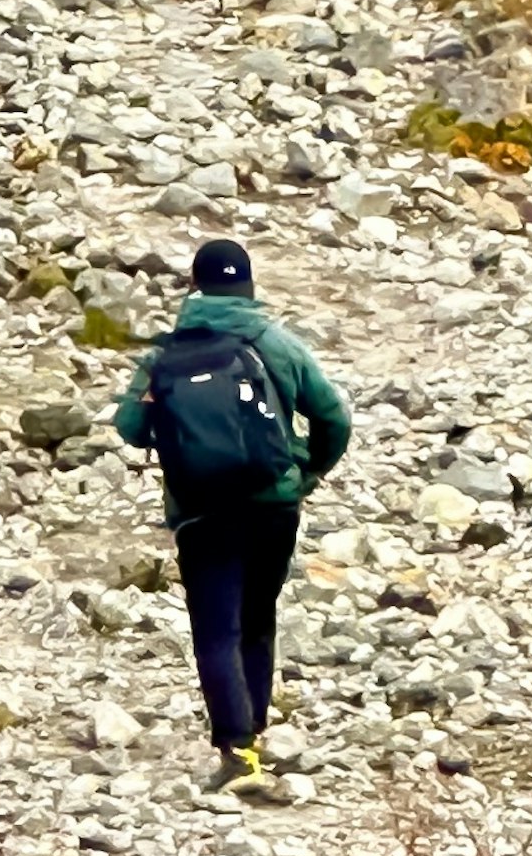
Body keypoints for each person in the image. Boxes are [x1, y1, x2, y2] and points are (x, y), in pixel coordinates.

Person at [109, 234, 353, 783]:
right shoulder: (276, 343)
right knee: (257, 619)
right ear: (247, 286)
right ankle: (255, 735)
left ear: (194, 286)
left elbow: (129, 429)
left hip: (201, 510)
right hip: (273, 505)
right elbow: (334, 418)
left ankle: (237, 753)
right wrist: (307, 473)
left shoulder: (165, 354)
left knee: (216, 628)